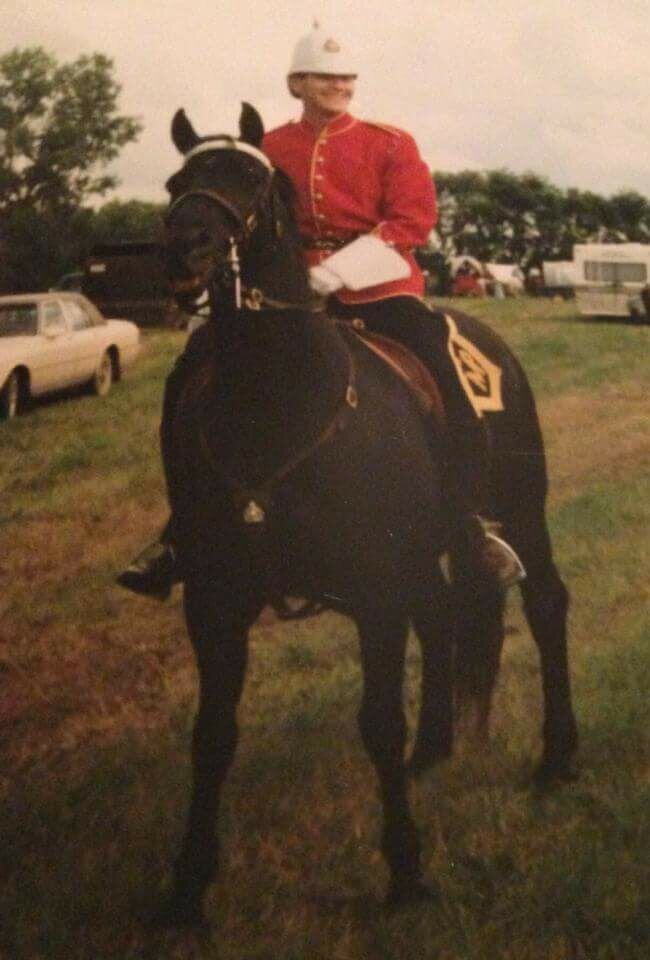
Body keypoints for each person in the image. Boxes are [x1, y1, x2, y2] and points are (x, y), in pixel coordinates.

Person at [117, 24, 524, 599]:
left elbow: (413, 222)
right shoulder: (269, 150)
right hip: (281, 299)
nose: (340, 85)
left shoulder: (391, 143)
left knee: (443, 365)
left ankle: (470, 521)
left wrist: (335, 273)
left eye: (347, 76)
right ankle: (181, 531)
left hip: (379, 288)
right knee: (191, 371)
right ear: (296, 83)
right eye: (326, 76)